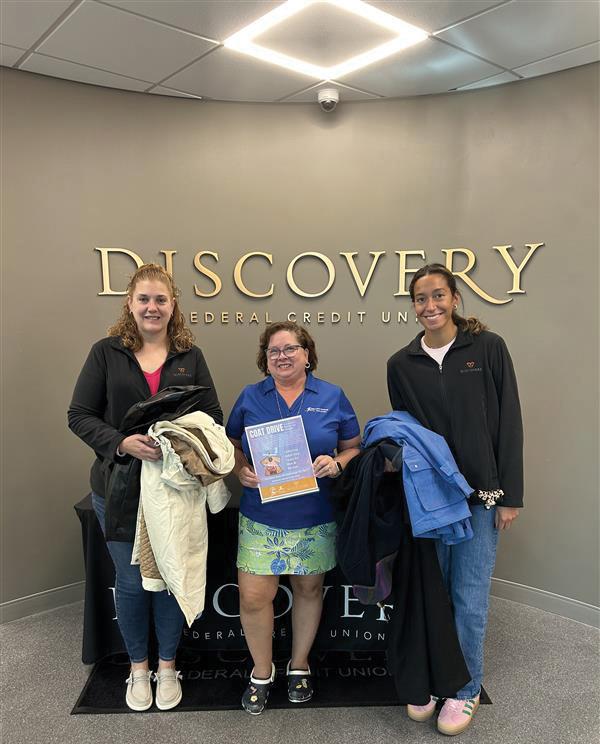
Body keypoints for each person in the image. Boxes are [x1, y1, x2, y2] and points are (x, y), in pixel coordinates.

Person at [68, 263, 222, 712]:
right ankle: (139, 668)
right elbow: (79, 415)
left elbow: (212, 415)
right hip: (118, 489)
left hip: (174, 489)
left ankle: (168, 666)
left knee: (170, 578)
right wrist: (121, 443)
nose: (152, 307)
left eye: (160, 299)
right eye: (144, 299)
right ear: (130, 304)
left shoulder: (189, 355)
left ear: (173, 305)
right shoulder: (105, 353)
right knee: (132, 582)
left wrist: (181, 439)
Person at [387, 263, 523, 736]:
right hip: (432, 499)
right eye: (421, 298)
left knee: (468, 595)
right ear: (413, 306)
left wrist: (509, 495)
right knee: (434, 593)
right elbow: (406, 432)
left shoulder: (488, 348)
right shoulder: (400, 364)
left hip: (482, 496)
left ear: (455, 299)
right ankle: (434, 678)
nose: (431, 306)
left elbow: (509, 422)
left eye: (438, 295)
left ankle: (464, 688)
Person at [226, 321, 361, 715]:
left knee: (308, 591)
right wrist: (240, 468)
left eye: (290, 349)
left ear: (307, 354)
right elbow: (231, 442)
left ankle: (299, 664)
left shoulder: (332, 395)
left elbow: (354, 446)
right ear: (265, 359)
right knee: (254, 598)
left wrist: (337, 463)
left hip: (314, 516)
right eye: (273, 351)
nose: (281, 356)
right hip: (261, 515)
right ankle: (261, 671)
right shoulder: (250, 396)